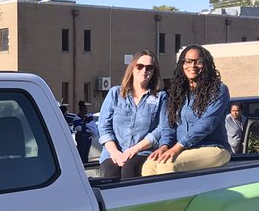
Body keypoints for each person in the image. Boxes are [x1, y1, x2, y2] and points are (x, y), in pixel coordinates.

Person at [142, 45, 231, 176]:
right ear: (182, 64)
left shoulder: (218, 90)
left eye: (198, 61)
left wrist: (178, 147)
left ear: (206, 64)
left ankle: (175, 197)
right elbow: (169, 125)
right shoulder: (176, 93)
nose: (192, 65)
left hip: (213, 147)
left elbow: (207, 124)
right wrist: (164, 146)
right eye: (188, 61)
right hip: (184, 149)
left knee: (167, 165)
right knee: (149, 165)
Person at [96, 49, 166, 180]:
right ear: (132, 67)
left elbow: (162, 128)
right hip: (114, 151)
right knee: (111, 174)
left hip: (142, 152)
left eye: (149, 67)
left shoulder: (160, 97)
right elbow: (104, 125)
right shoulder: (115, 93)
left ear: (154, 72)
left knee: (129, 171)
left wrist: (135, 149)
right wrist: (115, 152)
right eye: (140, 66)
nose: (144, 70)